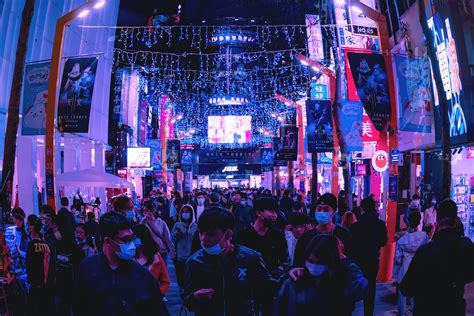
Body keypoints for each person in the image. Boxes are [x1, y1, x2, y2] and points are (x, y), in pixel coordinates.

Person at [183, 209, 278, 316]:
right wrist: (195, 297)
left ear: (228, 234)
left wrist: (290, 275)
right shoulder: (194, 262)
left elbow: (269, 289)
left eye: (211, 234)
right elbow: (187, 301)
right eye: (201, 233)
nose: (204, 239)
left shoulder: (250, 258)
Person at [74, 212, 164, 315]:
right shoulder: (87, 268)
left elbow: (157, 309)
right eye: (125, 239)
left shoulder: (142, 275)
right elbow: (79, 306)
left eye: (131, 238)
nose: (131, 244)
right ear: (107, 241)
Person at [400, 199, 474, 315]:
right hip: (454, 309)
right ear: (456, 221)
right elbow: (469, 275)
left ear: (437, 221)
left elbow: (406, 287)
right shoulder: (465, 246)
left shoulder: (425, 251)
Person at [274, 235, 368, 316]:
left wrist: (345, 262)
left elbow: (360, 288)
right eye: (310, 261)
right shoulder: (296, 281)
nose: (314, 266)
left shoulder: (341, 281)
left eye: (319, 263)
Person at [350, 197, 388, 316]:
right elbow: (383, 241)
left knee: (354, 286)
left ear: (362, 209)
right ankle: (368, 313)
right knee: (371, 288)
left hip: (358, 262)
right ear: (374, 207)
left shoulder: (355, 226)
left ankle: (350, 310)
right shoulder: (380, 224)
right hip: (372, 260)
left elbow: (351, 245)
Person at [293, 193, 352, 268]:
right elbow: (297, 264)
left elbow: (351, 261)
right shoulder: (306, 237)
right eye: (319, 209)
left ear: (334, 212)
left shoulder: (343, 235)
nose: (322, 212)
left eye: (326, 209)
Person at [238, 197, 290, 278]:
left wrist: (275, 274)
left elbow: (286, 260)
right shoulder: (243, 236)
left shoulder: (277, 236)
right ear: (259, 212)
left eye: (276, 213)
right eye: (272, 212)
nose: (275, 216)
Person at [393, 212, 429, 315]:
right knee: (415, 294)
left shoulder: (402, 241)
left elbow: (397, 259)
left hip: (404, 269)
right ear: (419, 222)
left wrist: (395, 273)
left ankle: (401, 313)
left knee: (402, 296)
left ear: (408, 221)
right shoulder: (424, 236)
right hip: (418, 269)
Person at [26, 215, 53, 315]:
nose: (27, 227)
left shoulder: (31, 245)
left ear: (34, 227)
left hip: (35, 284)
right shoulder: (46, 245)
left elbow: (29, 266)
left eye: (29, 224)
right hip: (45, 285)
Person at [133, 224, 171, 296]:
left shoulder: (156, 258)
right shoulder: (129, 257)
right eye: (133, 238)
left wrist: (157, 294)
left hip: (152, 301)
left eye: (137, 237)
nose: (135, 240)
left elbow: (165, 282)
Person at [171, 204, 198, 289]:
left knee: (191, 279)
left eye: (187, 212)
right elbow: (171, 239)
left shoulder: (196, 227)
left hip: (192, 257)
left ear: (191, 213)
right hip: (180, 256)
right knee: (181, 278)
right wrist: (177, 235)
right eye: (183, 212)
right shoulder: (177, 225)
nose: (185, 214)